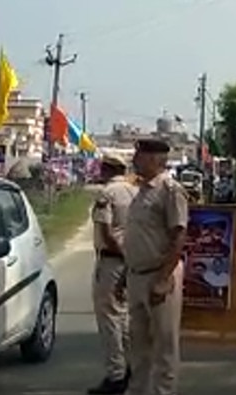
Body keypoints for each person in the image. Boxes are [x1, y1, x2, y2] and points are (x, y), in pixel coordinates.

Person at [123, 138, 188, 395]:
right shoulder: (142, 190)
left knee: (164, 345)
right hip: (137, 275)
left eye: (139, 155)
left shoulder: (170, 190)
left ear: (153, 159)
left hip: (160, 276)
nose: (134, 160)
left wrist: (163, 278)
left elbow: (179, 236)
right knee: (137, 345)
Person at [89, 156, 138, 395]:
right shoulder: (134, 192)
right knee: (126, 316)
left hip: (111, 260)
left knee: (109, 319)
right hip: (133, 261)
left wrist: (122, 255)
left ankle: (116, 375)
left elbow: (106, 232)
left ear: (108, 169)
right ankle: (133, 367)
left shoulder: (107, 194)